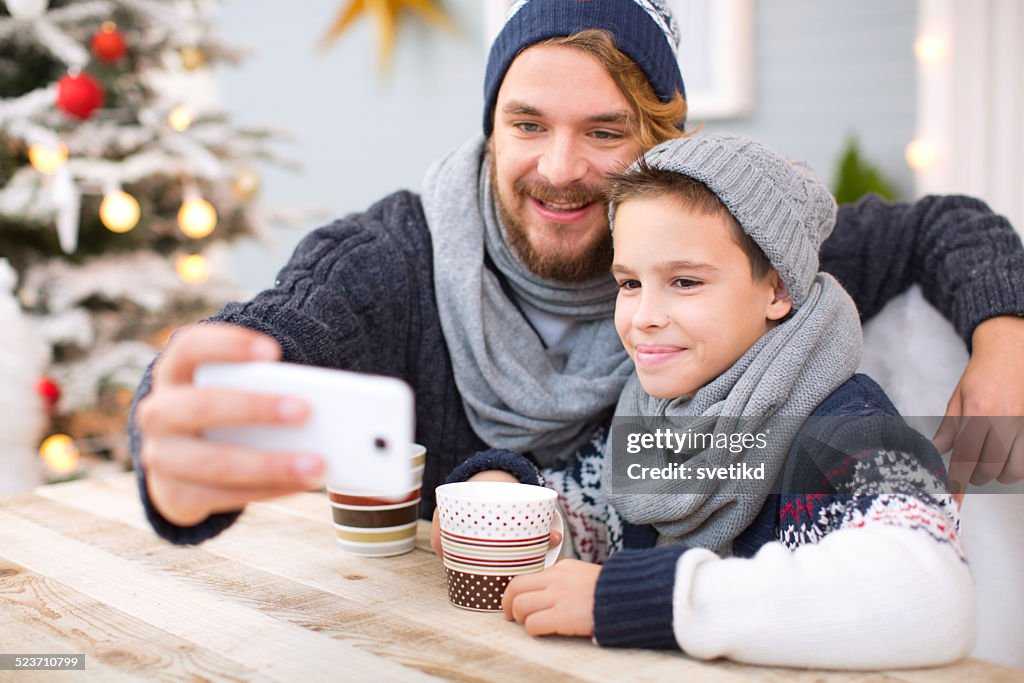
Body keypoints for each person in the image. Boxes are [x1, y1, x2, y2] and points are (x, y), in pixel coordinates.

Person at [131, 0, 1024, 544]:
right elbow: (277, 332)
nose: (559, 168)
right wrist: (181, 438)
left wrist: (1005, 332)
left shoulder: (730, 247)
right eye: (526, 125)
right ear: (492, 128)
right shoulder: (392, 260)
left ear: (663, 146)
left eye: (604, 132)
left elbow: (945, 227)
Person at [467, 132, 972, 669]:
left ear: (777, 290)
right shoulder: (655, 413)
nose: (644, 317)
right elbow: (590, 514)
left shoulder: (849, 433)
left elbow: (932, 592)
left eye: (684, 282)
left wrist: (642, 599)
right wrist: (514, 499)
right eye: (630, 283)